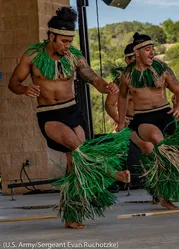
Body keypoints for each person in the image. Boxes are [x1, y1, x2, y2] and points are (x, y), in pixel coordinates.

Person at [8, 7, 129, 229]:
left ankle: (72, 213)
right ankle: (112, 173)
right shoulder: (32, 55)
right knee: (77, 147)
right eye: (63, 41)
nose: (67, 45)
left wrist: (107, 87)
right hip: (49, 115)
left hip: (72, 110)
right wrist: (24, 89)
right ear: (51, 36)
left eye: (70, 41)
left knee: (76, 163)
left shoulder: (73, 56)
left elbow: (93, 78)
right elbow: (13, 82)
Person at [117, 32, 179, 209]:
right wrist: (120, 120)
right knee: (155, 137)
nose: (152, 53)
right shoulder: (127, 75)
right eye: (148, 50)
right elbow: (122, 98)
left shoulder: (162, 69)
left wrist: (178, 109)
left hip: (165, 114)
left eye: (153, 49)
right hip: (143, 117)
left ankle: (163, 197)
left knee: (162, 159)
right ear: (137, 52)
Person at [105, 43, 136, 129]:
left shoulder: (151, 77)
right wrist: (119, 119)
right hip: (128, 122)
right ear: (127, 60)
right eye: (134, 60)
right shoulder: (119, 80)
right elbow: (109, 104)